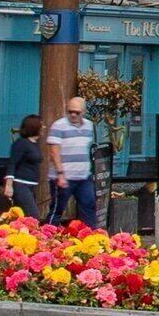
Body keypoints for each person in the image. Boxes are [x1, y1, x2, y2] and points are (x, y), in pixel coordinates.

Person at [46, 95, 98, 225]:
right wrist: (60, 174)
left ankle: (93, 237)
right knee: (57, 209)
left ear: (83, 112)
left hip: (83, 176)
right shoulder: (59, 126)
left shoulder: (89, 126)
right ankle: (48, 237)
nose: (73, 115)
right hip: (65, 176)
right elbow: (54, 150)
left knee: (89, 206)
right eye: (70, 112)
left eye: (77, 112)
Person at [4, 115, 43, 216]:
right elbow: (12, 163)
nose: (44, 127)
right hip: (21, 185)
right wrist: (9, 185)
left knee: (22, 217)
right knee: (33, 216)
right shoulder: (21, 143)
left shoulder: (35, 143)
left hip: (31, 186)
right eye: (41, 125)